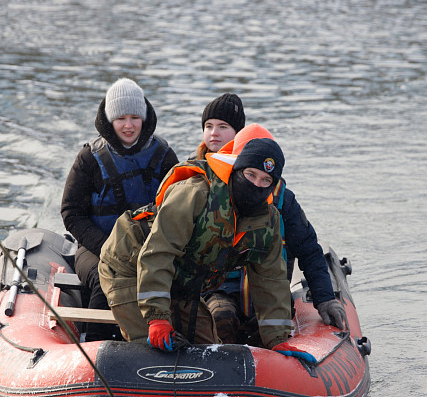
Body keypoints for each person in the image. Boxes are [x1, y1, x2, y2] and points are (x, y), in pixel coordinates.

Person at [98, 134, 316, 362]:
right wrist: (157, 317)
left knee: (211, 352)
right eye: (250, 175)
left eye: (265, 181)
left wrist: (277, 339)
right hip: (129, 265)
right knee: (154, 353)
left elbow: (270, 280)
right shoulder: (196, 193)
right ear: (237, 170)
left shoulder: (267, 221)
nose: (256, 185)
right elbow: (159, 252)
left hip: (181, 281)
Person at [203, 124, 347, 344]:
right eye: (250, 173)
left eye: (264, 176)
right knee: (220, 317)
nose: (255, 183)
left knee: (269, 332)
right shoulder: (213, 196)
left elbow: (309, 251)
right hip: (221, 290)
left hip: (269, 295)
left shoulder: (285, 202)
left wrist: (325, 299)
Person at [61, 78, 179, 341]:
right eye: (121, 118)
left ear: (144, 118)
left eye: (135, 117)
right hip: (96, 249)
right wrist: (109, 249)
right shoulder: (89, 158)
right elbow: (71, 213)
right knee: (108, 283)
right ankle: (95, 346)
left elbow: (179, 209)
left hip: (151, 249)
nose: (128, 125)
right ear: (110, 120)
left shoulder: (164, 156)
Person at [194, 93, 245, 159]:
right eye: (209, 126)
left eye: (223, 127)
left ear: (238, 132)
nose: (214, 133)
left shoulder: (250, 165)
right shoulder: (193, 161)